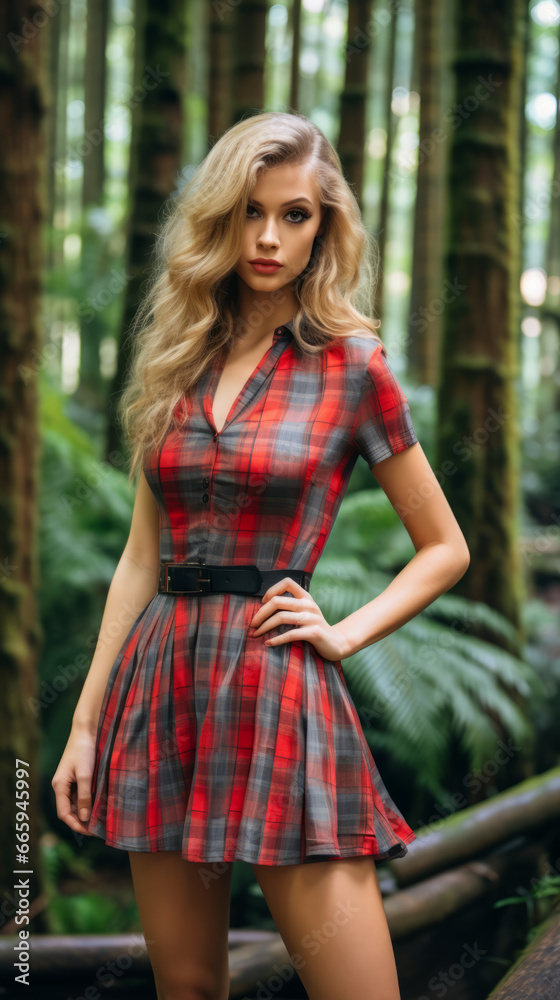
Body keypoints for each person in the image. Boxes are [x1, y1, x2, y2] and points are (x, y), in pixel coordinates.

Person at [52, 110, 470, 1000]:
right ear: (219, 216)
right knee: (189, 988)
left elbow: (445, 549)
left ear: (326, 226)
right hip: (162, 680)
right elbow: (140, 558)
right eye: (250, 212)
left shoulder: (354, 367)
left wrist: (345, 634)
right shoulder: (177, 356)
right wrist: (84, 725)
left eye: (296, 215)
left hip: (277, 678)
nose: (270, 237)